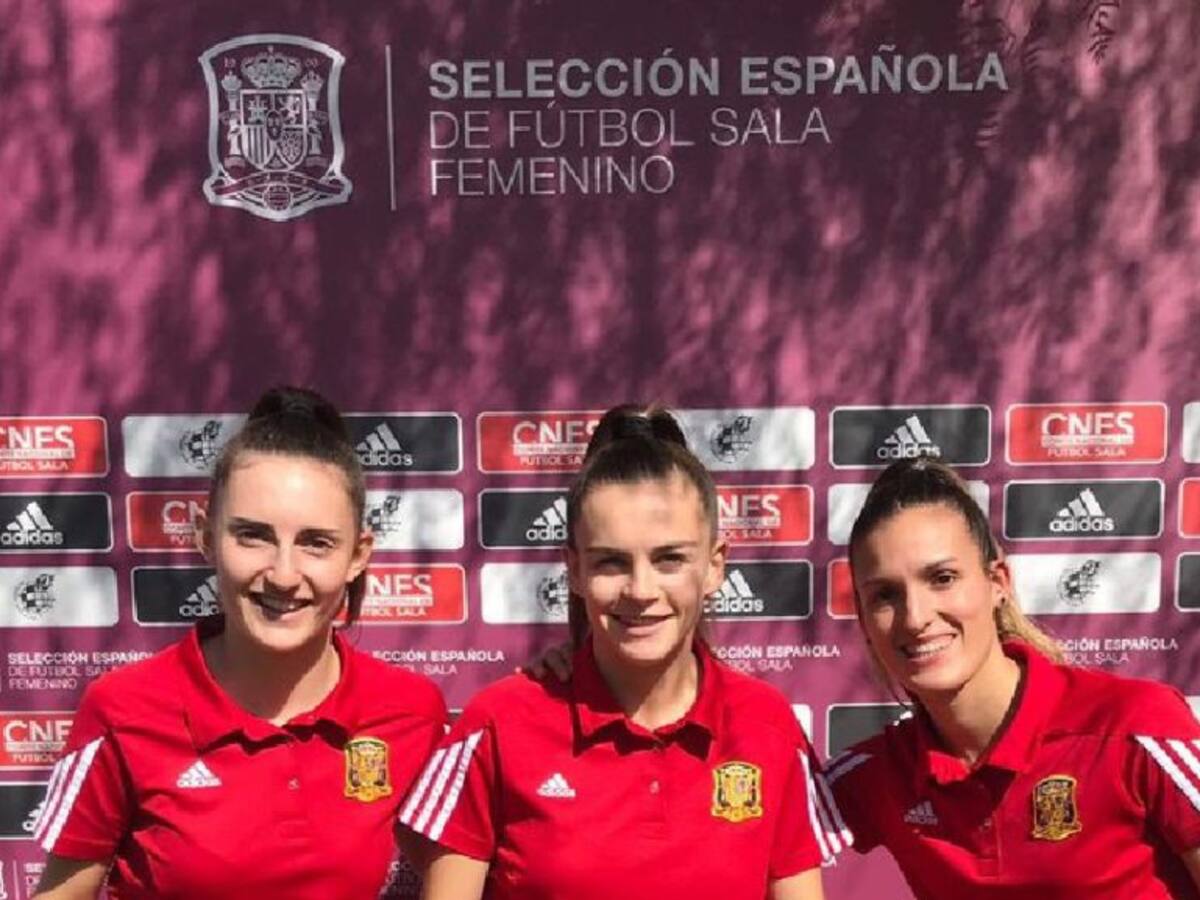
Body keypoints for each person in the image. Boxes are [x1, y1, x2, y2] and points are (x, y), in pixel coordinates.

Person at [398, 405, 846, 900]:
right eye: (611, 562)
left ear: (715, 565)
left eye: (669, 559)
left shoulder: (768, 726)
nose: (641, 590)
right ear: (574, 569)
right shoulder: (498, 724)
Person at [32, 387, 448, 900]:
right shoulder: (122, 709)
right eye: (253, 536)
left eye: (316, 543)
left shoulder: (412, 712)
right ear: (206, 537)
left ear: (358, 555)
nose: (283, 574)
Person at [825, 456, 1200, 899]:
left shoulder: (1135, 726)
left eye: (942, 578)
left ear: (998, 582)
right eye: (885, 595)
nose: (916, 617)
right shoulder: (877, 773)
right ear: (863, 618)